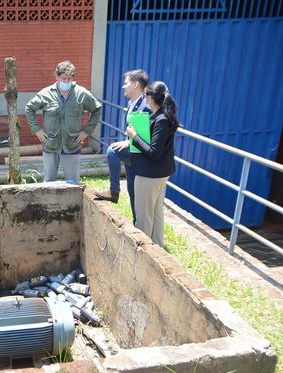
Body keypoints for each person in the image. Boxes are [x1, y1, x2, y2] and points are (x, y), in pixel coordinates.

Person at [25, 61, 102, 183]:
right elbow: (29, 108)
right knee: (49, 182)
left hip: (72, 145)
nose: (66, 82)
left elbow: (97, 109)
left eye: (69, 79)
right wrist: (37, 130)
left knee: (73, 183)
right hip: (50, 144)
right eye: (63, 78)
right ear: (56, 76)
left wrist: (87, 131)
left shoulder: (81, 94)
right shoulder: (46, 93)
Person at [124, 81, 178, 247]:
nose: (144, 98)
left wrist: (133, 136)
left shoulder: (161, 119)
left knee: (144, 217)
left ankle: (144, 251)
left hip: (149, 175)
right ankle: (157, 248)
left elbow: (154, 152)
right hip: (159, 173)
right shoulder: (161, 115)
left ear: (150, 98)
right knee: (155, 213)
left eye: (145, 95)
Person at [95, 69, 150, 224]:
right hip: (133, 148)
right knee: (132, 190)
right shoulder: (133, 102)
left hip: (140, 151)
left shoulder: (145, 105)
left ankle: (114, 191)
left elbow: (148, 133)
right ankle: (136, 223)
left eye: (126, 83)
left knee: (112, 151)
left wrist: (128, 142)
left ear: (136, 85)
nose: (123, 87)